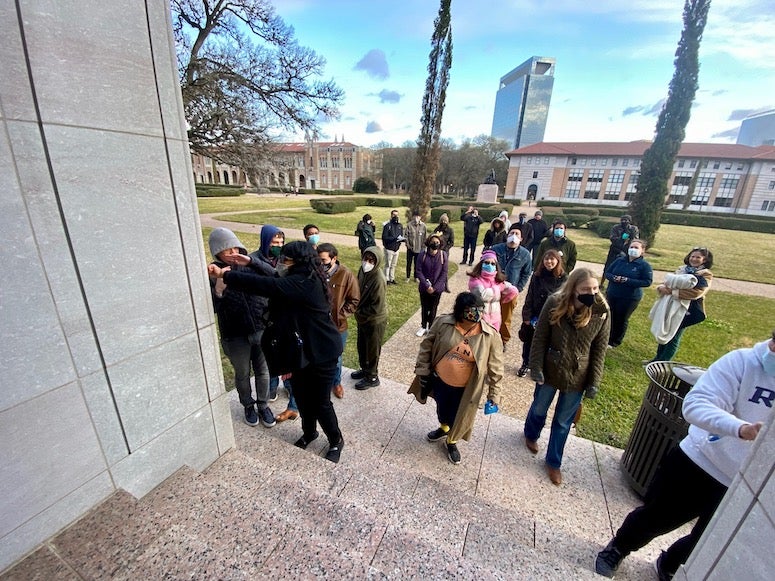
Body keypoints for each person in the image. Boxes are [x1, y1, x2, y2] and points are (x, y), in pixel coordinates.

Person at [595, 332, 774, 579]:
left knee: (707, 540)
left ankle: (669, 563)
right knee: (656, 517)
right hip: (700, 462)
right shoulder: (742, 362)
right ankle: (619, 547)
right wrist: (742, 429)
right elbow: (696, 405)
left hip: (745, 484)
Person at [208, 241, 346, 463]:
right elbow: (274, 277)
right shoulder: (298, 276)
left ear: (297, 262)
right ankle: (310, 433)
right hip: (302, 351)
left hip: (323, 352)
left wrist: (227, 276)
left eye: (285, 259)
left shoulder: (305, 283)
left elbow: (267, 285)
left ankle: (336, 440)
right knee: (301, 396)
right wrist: (250, 261)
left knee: (320, 402)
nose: (281, 262)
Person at [524, 268, 610, 485]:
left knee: (563, 422)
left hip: (577, 374)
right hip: (551, 368)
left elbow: (600, 349)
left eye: (594, 288)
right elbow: (540, 337)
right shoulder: (554, 302)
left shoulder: (602, 311)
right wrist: (536, 367)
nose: (591, 293)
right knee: (539, 408)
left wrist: (594, 382)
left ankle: (554, 462)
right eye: (585, 289)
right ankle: (531, 434)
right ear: (573, 289)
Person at [408, 292, 504, 465]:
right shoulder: (443, 323)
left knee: (459, 416)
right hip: (440, 380)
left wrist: (494, 395)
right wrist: (423, 371)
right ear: (460, 311)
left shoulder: (490, 336)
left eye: (479, 310)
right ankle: (444, 428)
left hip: (466, 388)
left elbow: (496, 369)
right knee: (442, 409)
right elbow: (426, 346)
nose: (476, 314)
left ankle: (452, 441)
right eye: (471, 310)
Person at [207, 228, 276, 428]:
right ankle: (248, 405)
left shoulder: (249, 265)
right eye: (226, 249)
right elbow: (210, 308)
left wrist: (252, 262)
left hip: (260, 329)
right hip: (234, 335)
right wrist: (219, 287)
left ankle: (263, 405)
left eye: (235, 247)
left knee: (263, 370)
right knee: (242, 373)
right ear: (217, 252)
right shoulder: (212, 273)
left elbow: (275, 276)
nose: (232, 252)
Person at [649, 246, 713, 362]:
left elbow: (697, 292)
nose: (694, 259)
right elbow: (669, 282)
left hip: (686, 309)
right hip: (671, 304)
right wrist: (663, 287)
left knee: (674, 334)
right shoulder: (682, 269)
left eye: (698, 257)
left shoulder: (705, 275)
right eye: (692, 256)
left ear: (704, 260)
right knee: (665, 329)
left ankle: (664, 362)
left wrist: (672, 291)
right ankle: (657, 358)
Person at [318, 243, 360, 399]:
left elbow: (354, 300)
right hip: (318, 324)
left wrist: (340, 315)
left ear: (334, 258)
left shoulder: (346, 274)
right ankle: (321, 381)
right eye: (318, 260)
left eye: (323, 260)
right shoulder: (315, 273)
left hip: (337, 326)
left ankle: (336, 383)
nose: (320, 264)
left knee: (336, 356)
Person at [518, 248, 567, 377]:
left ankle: (540, 367)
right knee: (529, 341)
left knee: (547, 342)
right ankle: (526, 363)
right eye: (546, 259)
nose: (549, 262)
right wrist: (526, 316)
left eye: (552, 259)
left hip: (551, 316)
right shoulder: (537, 275)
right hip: (535, 314)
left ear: (557, 261)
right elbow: (530, 296)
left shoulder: (563, 278)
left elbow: (564, 299)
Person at [604, 239, 652, 348]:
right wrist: (614, 278)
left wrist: (627, 280)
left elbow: (647, 282)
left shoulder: (644, 266)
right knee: (610, 316)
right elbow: (608, 272)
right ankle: (606, 336)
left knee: (621, 319)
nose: (633, 249)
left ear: (642, 251)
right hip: (613, 293)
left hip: (629, 297)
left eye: (636, 248)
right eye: (632, 247)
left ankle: (615, 341)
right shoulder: (619, 260)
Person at [351, 246, 387, 390]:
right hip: (362, 317)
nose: (367, 262)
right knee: (362, 345)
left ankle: (372, 376)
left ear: (377, 262)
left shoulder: (379, 280)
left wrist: (357, 311)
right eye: (366, 258)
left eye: (371, 260)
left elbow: (376, 307)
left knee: (372, 349)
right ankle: (364, 369)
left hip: (374, 319)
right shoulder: (363, 270)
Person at [491, 225, 533, 349]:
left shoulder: (525, 254)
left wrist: (518, 288)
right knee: (490, 313)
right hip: (493, 288)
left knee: (506, 317)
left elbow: (526, 273)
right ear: (507, 235)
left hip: (510, 291)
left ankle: (503, 340)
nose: (513, 236)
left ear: (521, 239)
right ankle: (489, 337)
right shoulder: (496, 249)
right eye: (511, 233)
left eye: (517, 234)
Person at [467, 250, 518, 332]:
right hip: (479, 318)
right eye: (486, 263)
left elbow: (513, 290)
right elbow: (482, 295)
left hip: (495, 319)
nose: (489, 265)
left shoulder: (497, 280)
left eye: (493, 264)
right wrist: (498, 289)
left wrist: (502, 298)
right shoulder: (475, 280)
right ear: (481, 264)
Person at [415, 234, 449, 336]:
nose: (435, 244)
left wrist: (435, 287)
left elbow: (444, 273)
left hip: (437, 289)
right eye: (433, 242)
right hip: (424, 287)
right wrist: (426, 285)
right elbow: (418, 271)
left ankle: (431, 327)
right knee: (425, 307)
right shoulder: (422, 255)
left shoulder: (443, 255)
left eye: (437, 242)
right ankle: (423, 326)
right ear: (429, 242)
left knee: (433, 308)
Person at [381, 209, 404, 285]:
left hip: (396, 248)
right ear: (391, 215)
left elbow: (401, 235)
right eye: (394, 215)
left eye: (397, 215)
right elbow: (384, 237)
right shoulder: (387, 226)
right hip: (389, 248)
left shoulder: (400, 226)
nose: (395, 216)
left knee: (394, 265)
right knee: (388, 264)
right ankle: (386, 279)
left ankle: (392, 278)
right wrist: (394, 238)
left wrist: (401, 241)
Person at [404, 211, 427, 282]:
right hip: (410, 248)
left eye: (418, 216)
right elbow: (406, 236)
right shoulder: (409, 225)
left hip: (419, 249)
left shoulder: (423, 226)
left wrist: (423, 248)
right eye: (415, 216)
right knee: (409, 263)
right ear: (413, 217)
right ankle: (407, 277)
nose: (416, 218)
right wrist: (408, 245)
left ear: (420, 217)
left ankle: (416, 277)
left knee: (417, 264)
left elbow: (425, 238)